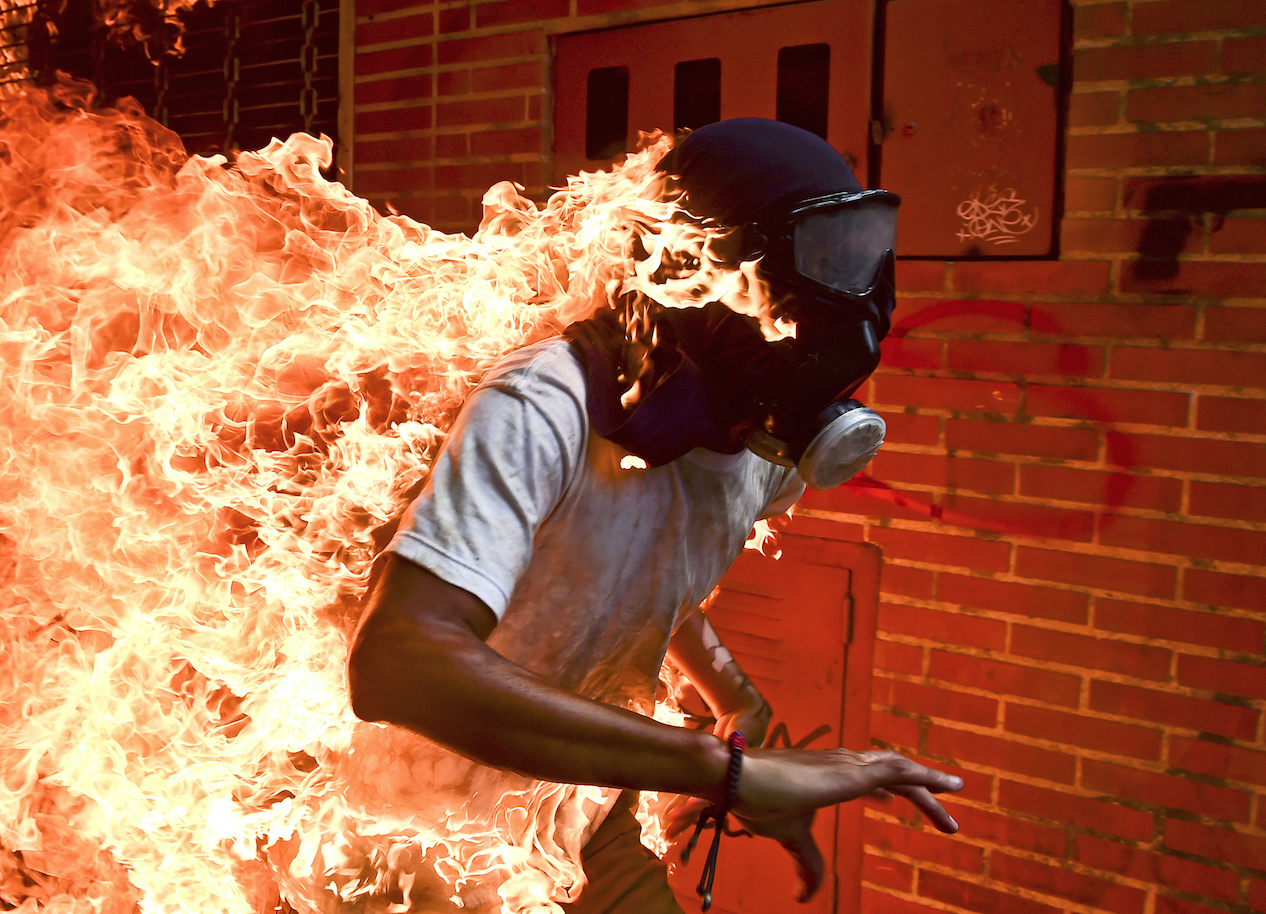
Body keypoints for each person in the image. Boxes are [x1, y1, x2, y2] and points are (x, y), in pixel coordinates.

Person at [347, 119, 960, 913]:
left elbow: (638, 573)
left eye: (860, 253)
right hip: (420, 842)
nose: (846, 295)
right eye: (818, 255)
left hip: (582, 809)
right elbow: (398, 662)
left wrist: (734, 697)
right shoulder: (546, 406)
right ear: (699, 268)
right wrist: (723, 770)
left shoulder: (764, 452)